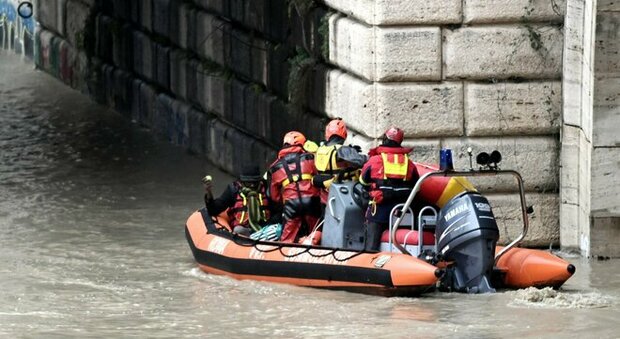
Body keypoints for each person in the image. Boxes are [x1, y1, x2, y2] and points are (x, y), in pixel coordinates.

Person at [359, 127, 419, 250]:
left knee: (371, 246)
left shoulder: (375, 160)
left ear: (385, 139)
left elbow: (363, 182)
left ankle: (369, 258)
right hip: (402, 213)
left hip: (379, 213)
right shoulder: (409, 164)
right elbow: (416, 187)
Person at [267, 131, 321, 243]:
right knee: (316, 232)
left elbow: (274, 196)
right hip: (312, 200)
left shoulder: (275, 167)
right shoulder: (310, 158)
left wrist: (284, 201)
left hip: (291, 204)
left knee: (287, 239)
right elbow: (319, 178)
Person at [203, 165, 276, 236]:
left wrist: (268, 225)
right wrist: (209, 192)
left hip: (264, 229)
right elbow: (214, 210)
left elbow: (277, 210)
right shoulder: (233, 190)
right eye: (249, 183)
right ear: (242, 182)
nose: (252, 186)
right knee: (238, 230)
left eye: (255, 183)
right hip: (243, 230)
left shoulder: (266, 189)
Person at [313, 118, 367, 204]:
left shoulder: (320, 149)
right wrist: (353, 152)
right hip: (342, 194)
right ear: (344, 133)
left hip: (325, 196)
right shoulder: (342, 150)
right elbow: (362, 161)